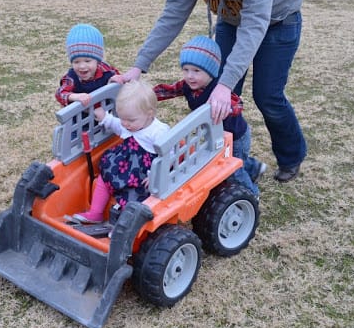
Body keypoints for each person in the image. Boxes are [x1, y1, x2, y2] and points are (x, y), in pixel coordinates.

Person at [114, 0, 307, 182]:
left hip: (278, 22)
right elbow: (173, 14)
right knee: (214, 97)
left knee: (267, 96)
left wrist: (226, 84)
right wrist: (139, 66)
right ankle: (227, 159)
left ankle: (291, 157)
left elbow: (254, 25)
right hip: (231, 20)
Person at [154, 35, 265, 197]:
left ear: (211, 71)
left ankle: (251, 194)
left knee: (232, 168)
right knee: (229, 159)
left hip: (235, 137)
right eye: (186, 70)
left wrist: (227, 108)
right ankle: (255, 167)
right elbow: (169, 90)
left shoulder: (219, 89)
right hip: (215, 135)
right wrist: (148, 95)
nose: (190, 76)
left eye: (196, 71)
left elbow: (236, 104)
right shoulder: (187, 86)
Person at [72, 80, 170, 224]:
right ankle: (95, 213)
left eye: (130, 120)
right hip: (123, 162)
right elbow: (117, 125)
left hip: (142, 171)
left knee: (135, 194)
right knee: (105, 175)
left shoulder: (159, 131)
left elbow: (168, 155)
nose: (125, 124)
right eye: (122, 118)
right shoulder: (129, 123)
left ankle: (124, 225)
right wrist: (105, 117)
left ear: (149, 114)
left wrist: (155, 174)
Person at [55, 23, 120, 107]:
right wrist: (75, 96)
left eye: (87, 61)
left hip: (106, 114)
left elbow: (120, 80)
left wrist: (116, 79)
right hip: (80, 117)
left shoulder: (106, 71)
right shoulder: (71, 77)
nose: (82, 66)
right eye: (76, 62)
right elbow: (60, 93)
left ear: (98, 61)